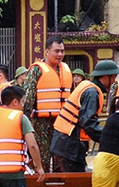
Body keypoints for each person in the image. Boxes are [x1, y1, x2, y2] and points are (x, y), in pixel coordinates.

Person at [50, 60, 119, 172]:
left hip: (62, 142)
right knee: (75, 184)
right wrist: (108, 138)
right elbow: (88, 122)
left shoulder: (86, 86)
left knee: (65, 183)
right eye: (113, 77)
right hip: (69, 144)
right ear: (105, 77)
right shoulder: (92, 92)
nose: (114, 81)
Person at [23, 36, 73, 173]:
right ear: (46, 51)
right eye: (56, 51)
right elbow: (27, 99)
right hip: (41, 122)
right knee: (43, 157)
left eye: (62, 51)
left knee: (61, 158)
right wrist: (24, 122)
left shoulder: (66, 70)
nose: (60, 54)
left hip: (62, 122)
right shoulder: (36, 70)